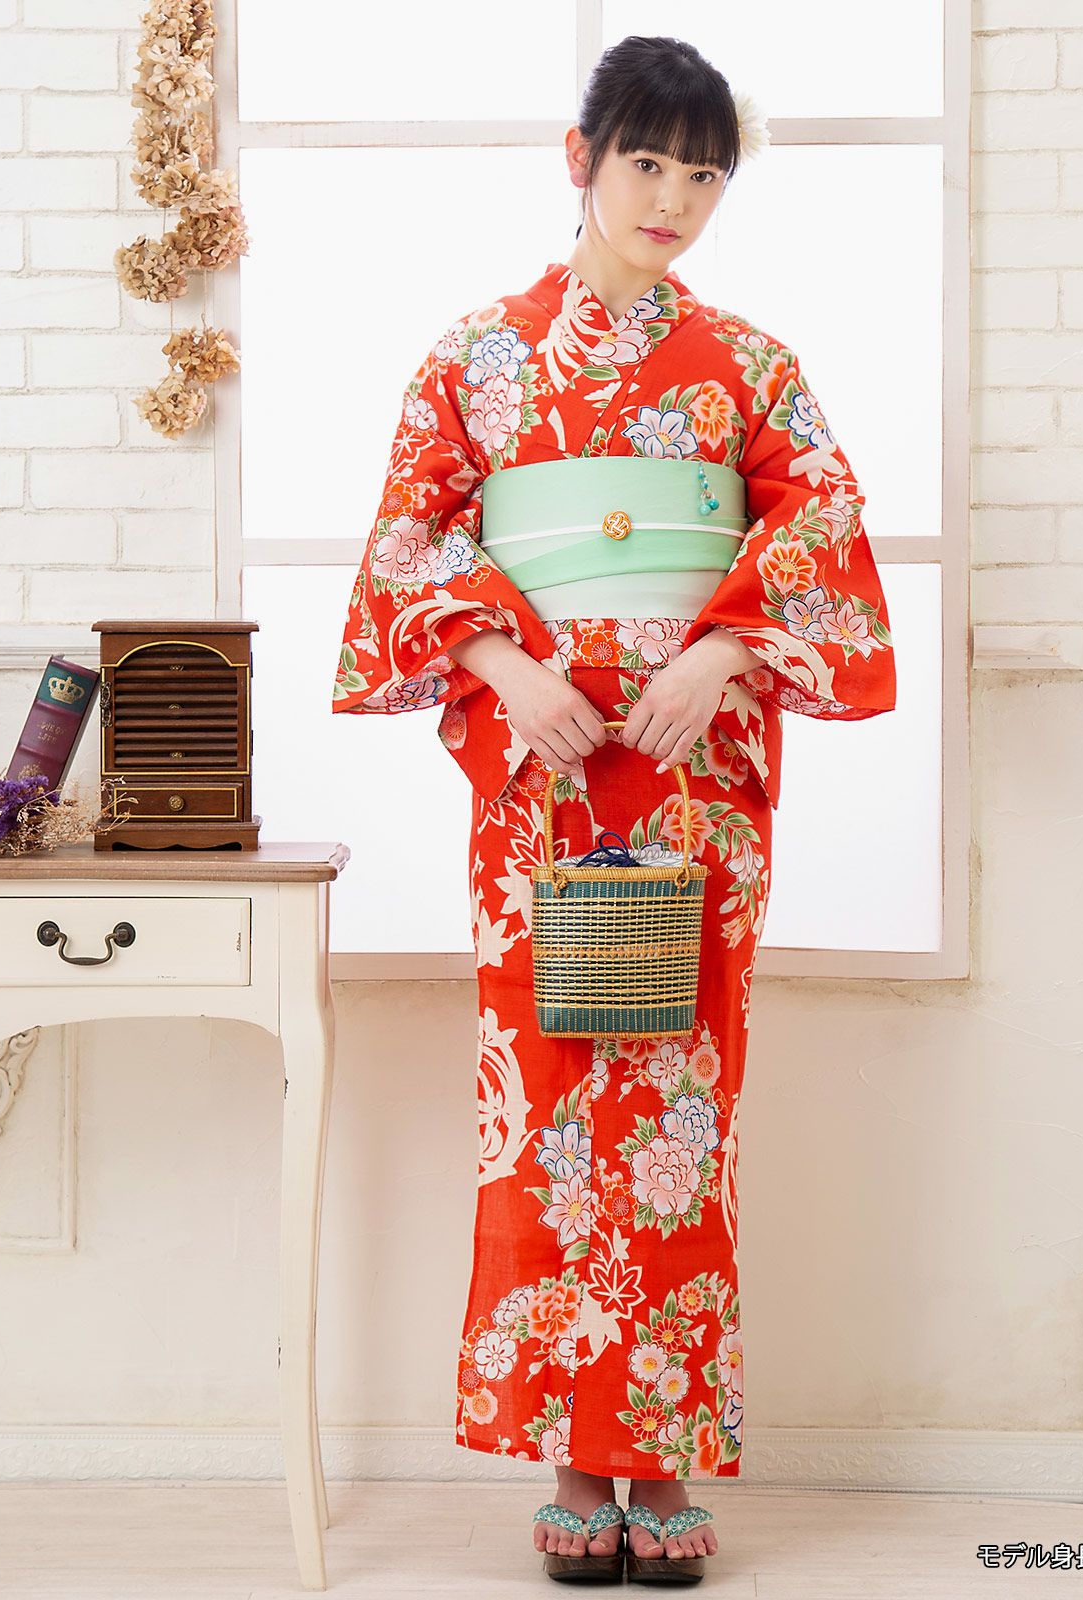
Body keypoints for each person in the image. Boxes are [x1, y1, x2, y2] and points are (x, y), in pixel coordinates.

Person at [330, 34, 897, 1586]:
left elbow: (822, 523)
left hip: (694, 778)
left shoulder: (751, 366)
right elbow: (408, 541)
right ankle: (576, 1462)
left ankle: (661, 1461)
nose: (674, 198)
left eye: (704, 174)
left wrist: (722, 652)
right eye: (648, 162)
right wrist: (505, 670)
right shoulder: (474, 358)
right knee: (547, 1102)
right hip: (546, 780)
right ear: (580, 157)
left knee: (683, 1111)